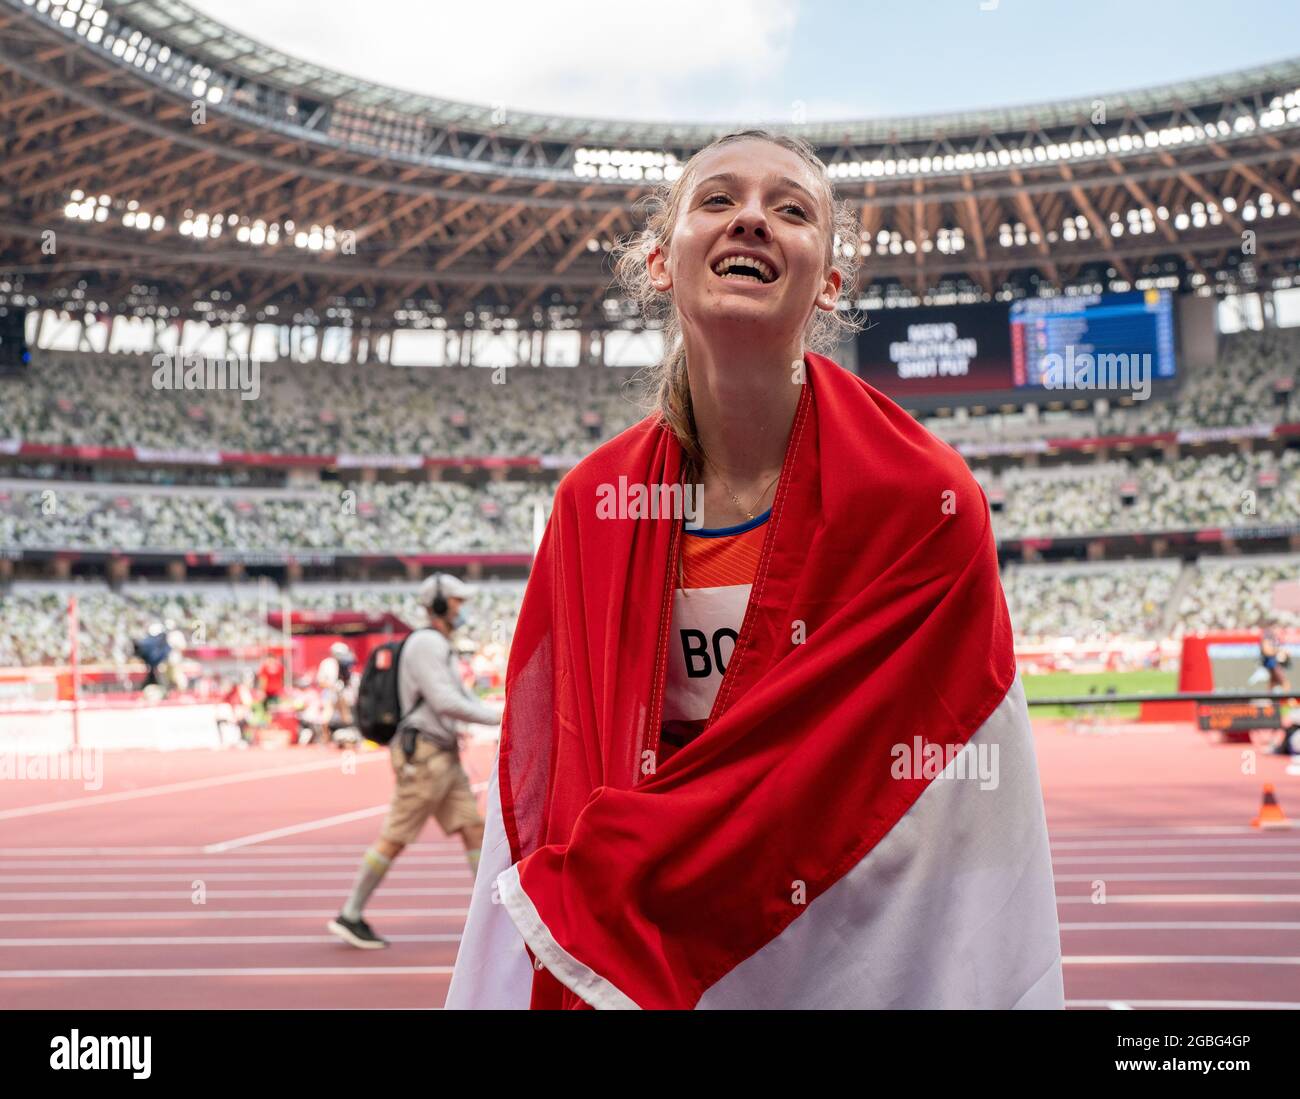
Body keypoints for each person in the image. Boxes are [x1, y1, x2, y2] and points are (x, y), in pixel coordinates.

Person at [447, 129, 1062, 1009]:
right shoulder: (594, 506)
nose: (752, 220)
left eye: (791, 210)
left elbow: (953, 806)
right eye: (718, 199)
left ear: (829, 284)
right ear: (660, 261)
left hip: (843, 940)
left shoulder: (922, 503)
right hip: (638, 955)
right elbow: (558, 767)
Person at [329, 574, 502, 950]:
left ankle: (490, 921)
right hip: (424, 757)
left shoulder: (439, 644)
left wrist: (494, 714)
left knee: (473, 828)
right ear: (440, 605)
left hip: (441, 754)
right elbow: (444, 701)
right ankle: (351, 913)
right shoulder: (426, 643)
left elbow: (459, 698)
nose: (462, 608)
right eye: (457, 601)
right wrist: (502, 717)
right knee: (396, 835)